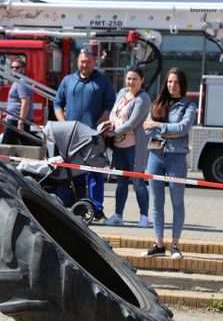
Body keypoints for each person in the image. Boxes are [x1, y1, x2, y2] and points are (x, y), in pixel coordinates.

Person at [54, 47, 116, 220]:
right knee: (75, 173)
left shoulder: (103, 82)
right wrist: (63, 124)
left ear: (94, 62)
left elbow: (110, 105)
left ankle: (97, 209)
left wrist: (97, 127)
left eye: (88, 62)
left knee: (95, 173)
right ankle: (79, 207)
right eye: (82, 61)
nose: (85, 64)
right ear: (77, 62)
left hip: (93, 137)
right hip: (72, 137)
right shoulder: (67, 80)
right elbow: (57, 103)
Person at [141, 67, 197, 260]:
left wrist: (158, 126)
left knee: (177, 201)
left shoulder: (188, 106)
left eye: (176, 82)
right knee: (156, 202)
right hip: (155, 155)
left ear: (182, 84)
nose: (172, 85)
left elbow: (183, 128)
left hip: (177, 157)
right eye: (170, 82)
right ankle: (158, 244)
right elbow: (146, 129)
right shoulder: (157, 103)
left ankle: (175, 245)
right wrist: (167, 131)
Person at [102, 66, 151, 227]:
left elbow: (132, 123)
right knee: (121, 182)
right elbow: (112, 113)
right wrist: (110, 123)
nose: (131, 82)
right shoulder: (122, 92)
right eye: (129, 78)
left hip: (134, 147)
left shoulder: (143, 98)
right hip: (119, 146)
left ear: (142, 80)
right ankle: (118, 215)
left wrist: (113, 132)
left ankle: (144, 217)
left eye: (135, 79)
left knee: (138, 182)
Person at [2, 59, 35, 145]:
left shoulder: (21, 82)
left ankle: (2, 159)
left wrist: (21, 122)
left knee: (6, 144)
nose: (14, 69)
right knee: (23, 144)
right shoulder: (16, 82)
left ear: (23, 69)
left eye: (17, 67)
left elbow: (25, 102)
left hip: (16, 120)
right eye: (12, 67)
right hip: (13, 118)